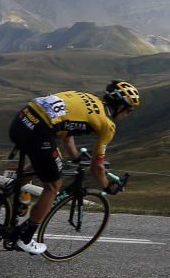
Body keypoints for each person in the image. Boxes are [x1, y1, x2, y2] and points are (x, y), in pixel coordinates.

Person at [7, 80, 139, 254]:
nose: (127, 115)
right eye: (129, 111)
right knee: (53, 185)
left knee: (42, 164)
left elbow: (67, 134)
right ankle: (24, 238)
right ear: (121, 107)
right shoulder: (107, 125)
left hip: (23, 118)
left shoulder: (89, 98)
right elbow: (97, 168)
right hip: (39, 131)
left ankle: (1, 197)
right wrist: (108, 186)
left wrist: (76, 156)